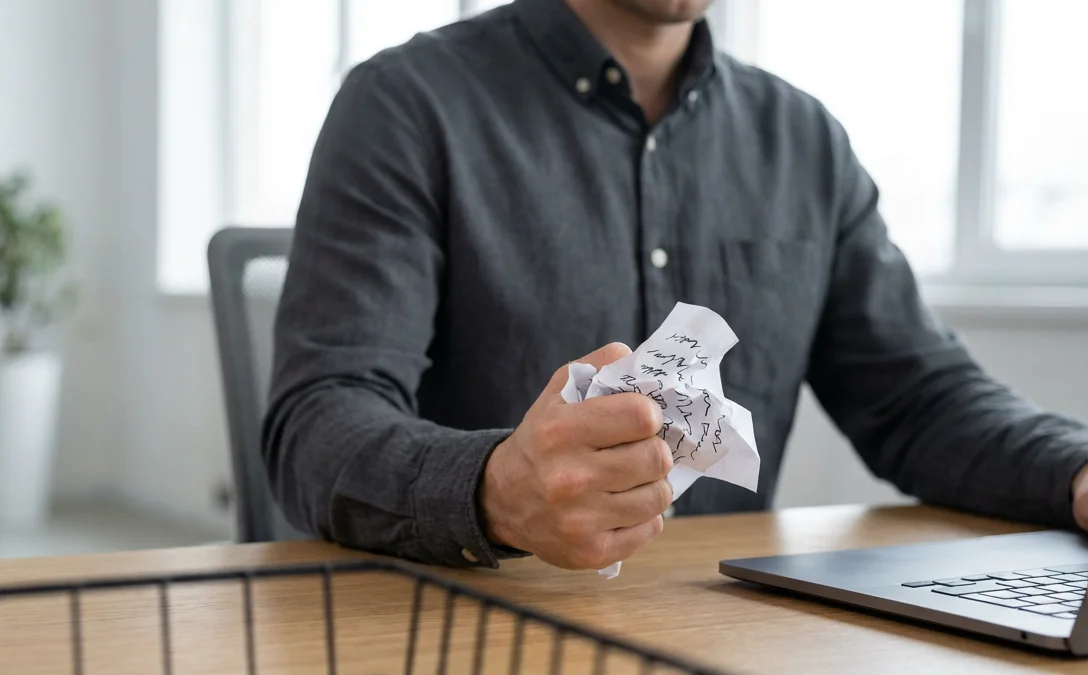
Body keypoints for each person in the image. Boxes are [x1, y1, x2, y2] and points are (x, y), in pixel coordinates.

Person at [262, 0, 1088, 571]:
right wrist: (494, 493)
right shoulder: (407, 104)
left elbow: (919, 402)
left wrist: (1077, 473)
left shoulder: (802, 141)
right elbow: (318, 419)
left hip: (726, 639)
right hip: (469, 629)